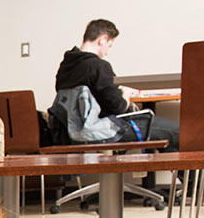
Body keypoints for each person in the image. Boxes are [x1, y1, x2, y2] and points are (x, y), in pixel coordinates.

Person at [51, 18, 180, 151]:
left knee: (164, 137)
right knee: (180, 132)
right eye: (110, 45)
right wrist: (125, 94)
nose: (107, 51)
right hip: (102, 129)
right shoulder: (99, 66)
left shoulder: (65, 67)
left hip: (71, 131)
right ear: (103, 40)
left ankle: (165, 168)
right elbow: (118, 107)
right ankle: (178, 171)